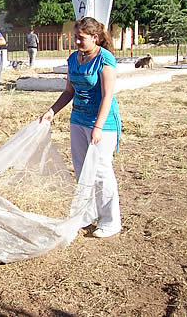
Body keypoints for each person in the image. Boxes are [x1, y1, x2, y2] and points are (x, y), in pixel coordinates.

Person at [39, 17, 122, 238]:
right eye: (75, 37)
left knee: (101, 171)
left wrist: (98, 126)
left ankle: (111, 220)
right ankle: (87, 214)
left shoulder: (105, 60)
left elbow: (107, 97)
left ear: (95, 38)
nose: (76, 42)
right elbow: (69, 91)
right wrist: (52, 111)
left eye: (81, 38)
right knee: (83, 170)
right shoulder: (74, 59)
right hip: (78, 120)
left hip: (103, 124)